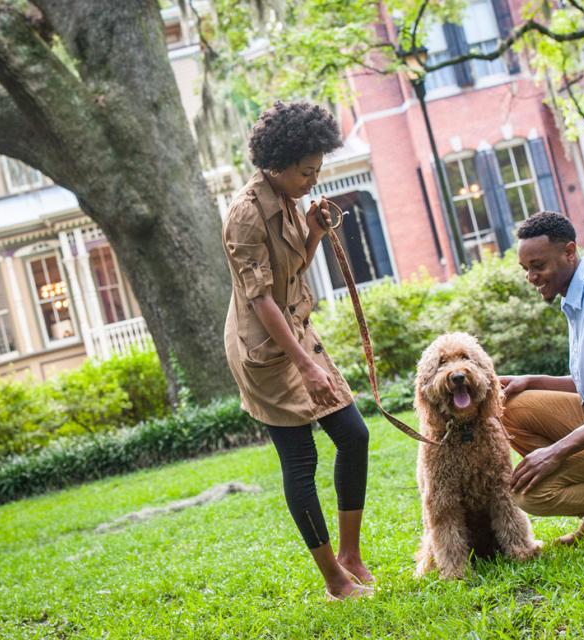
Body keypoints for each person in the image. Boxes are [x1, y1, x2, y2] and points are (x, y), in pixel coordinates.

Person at [221, 101, 374, 600]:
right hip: (265, 350)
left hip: (296, 331)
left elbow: (291, 277)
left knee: (353, 435)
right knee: (301, 459)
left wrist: (313, 232)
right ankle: (334, 579)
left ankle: (350, 556)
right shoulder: (246, 214)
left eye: (318, 170)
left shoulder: (287, 198)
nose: (313, 179)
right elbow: (260, 298)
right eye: (306, 171)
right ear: (277, 164)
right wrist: (305, 365)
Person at [500, 211, 584, 544]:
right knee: (509, 406)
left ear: (569, 252)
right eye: (526, 269)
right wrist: (530, 379)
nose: (531, 277)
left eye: (538, 266)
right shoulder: (576, 296)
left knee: (530, 494)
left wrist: (555, 453)